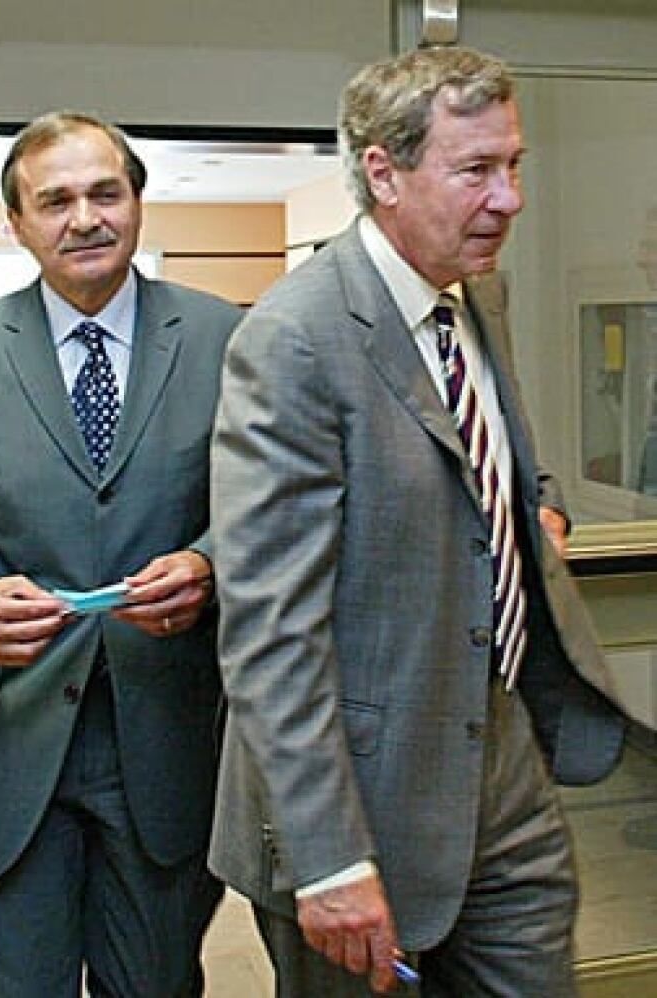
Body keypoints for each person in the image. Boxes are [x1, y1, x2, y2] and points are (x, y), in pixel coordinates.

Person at [208, 47, 625, 996]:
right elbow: (272, 634)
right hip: (360, 792)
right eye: (475, 170)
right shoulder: (291, 342)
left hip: (504, 756)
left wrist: (539, 508)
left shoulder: (480, 294)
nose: (509, 198)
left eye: (513, 165)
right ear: (382, 174)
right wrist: (326, 859)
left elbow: (490, 440)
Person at [0, 110, 241, 997]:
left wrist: (205, 563)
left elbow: (269, 513)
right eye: (55, 201)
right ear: (16, 223)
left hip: (162, 745)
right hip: (5, 744)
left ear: (137, 205)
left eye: (104, 193)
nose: (84, 218)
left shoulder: (223, 339)